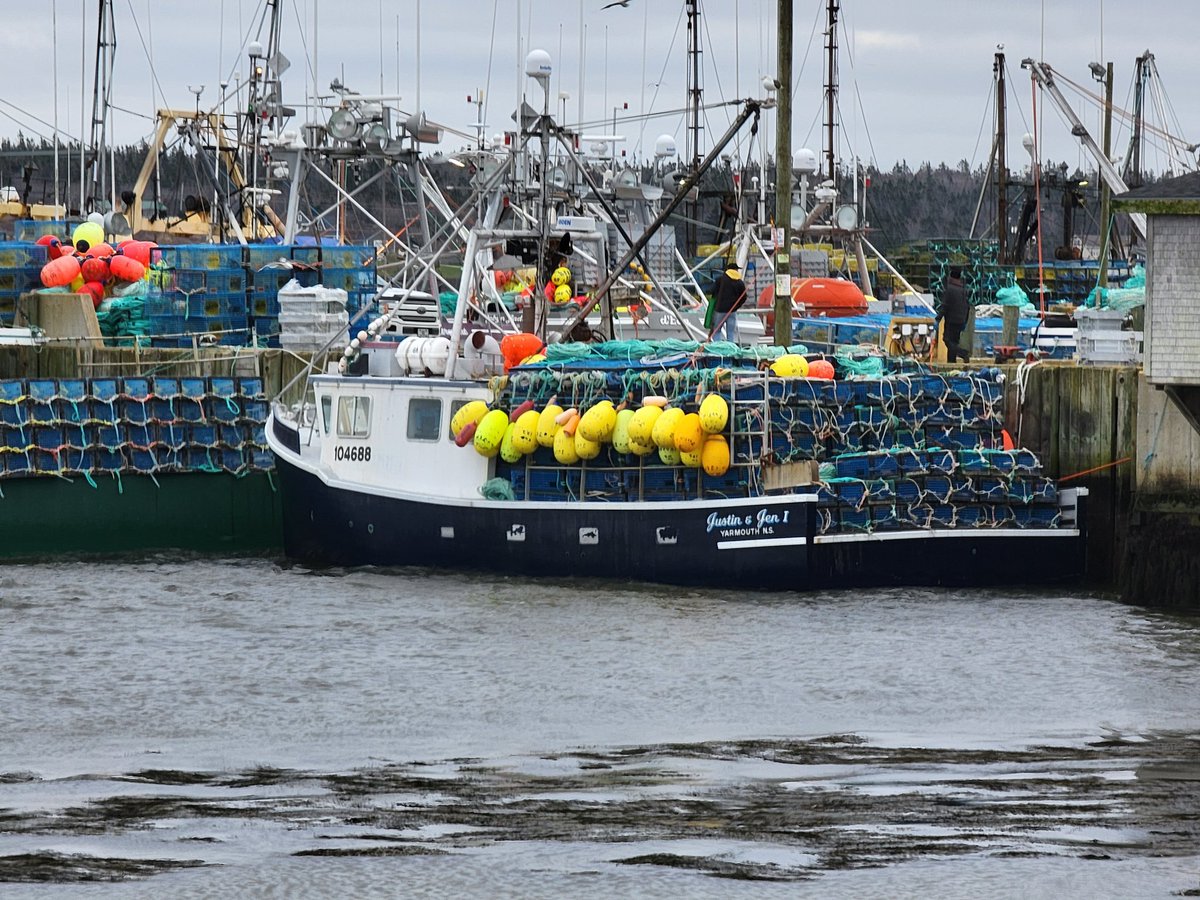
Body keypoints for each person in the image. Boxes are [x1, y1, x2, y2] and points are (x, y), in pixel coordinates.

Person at [709, 261, 748, 343]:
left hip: (720, 310)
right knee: (730, 332)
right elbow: (744, 297)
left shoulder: (720, 280)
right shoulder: (740, 283)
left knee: (717, 331)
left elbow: (712, 291)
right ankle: (730, 349)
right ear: (736, 270)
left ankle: (718, 348)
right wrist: (736, 306)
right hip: (732, 311)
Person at [938, 267, 970, 363]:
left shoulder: (949, 289)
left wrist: (938, 319)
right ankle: (951, 362)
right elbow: (967, 307)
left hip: (951, 320)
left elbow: (945, 306)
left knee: (947, 340)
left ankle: (963, 353)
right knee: (954, 342)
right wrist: (965, 320)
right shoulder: (963, 289)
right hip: (961, 320)